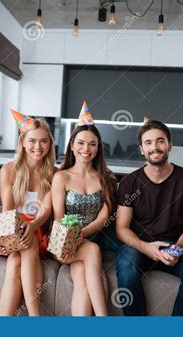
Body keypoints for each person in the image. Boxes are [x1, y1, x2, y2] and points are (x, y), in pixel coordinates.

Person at [115, 119, 183, 316]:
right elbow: (121, 228)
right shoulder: (129, 183)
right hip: (138, 246)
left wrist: (176, 249)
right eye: (148, 142)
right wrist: (144, 247)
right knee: (126, 267)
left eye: (160, 141)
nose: (155, 147)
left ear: (170, 145)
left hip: (172, 246)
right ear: (141, 149)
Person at [51, 101, 117, 316]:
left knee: (83, 278)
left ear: (98, 148)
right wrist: (73, 238)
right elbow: (59, 219)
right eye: (80, 143)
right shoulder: (61, 177)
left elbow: (103, 218)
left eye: (92, 144)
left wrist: (83, 235)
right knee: (93, 251)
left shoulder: (106, 178)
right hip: (64, 243)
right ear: (72, 145)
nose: (86, 149)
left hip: (91, 240)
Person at [0, 110, 55, 316]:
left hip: (39, 230)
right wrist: (9, 238)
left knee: (19, 257)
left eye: (43, 141)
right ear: (22, 142)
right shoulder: (9, 170)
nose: (38, 147)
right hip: (12, 229)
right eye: (32, 141)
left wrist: (32, 226)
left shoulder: (54, 173)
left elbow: (46, 210)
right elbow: (8, 210)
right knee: (18, 255)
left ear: (50, 143)